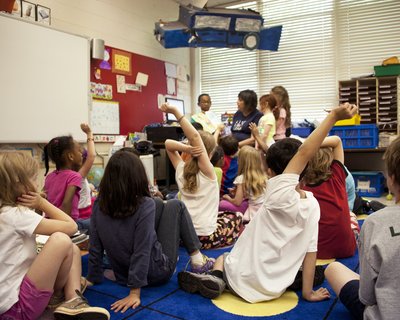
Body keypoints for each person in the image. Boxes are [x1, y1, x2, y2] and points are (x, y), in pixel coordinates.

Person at [177, 103, 358, 303]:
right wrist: (308, 293)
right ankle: (296, 282)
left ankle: (216, 277)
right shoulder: (313, 205)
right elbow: (310, 251)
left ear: (270, 173)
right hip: (274, 287)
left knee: (223, 258)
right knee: (313, 270)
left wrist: (333, 116)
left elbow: (304, 152)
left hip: (240, 279)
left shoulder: (277, 193)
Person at [86, 150, 214, 313]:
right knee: (176, 205)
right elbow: (141, 250)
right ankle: (198, 262)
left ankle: (197, 260)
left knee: (158, 203)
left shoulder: (99, 203)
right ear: (138, 176)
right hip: (156, 274)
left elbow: (95, 246)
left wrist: (92, 277)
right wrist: (134, 292)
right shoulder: (143, 204)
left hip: (122, 274)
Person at [0, 152, 109, 320]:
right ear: (20, 184)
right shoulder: (17, 215)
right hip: (17, 310)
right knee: (61, 240)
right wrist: (42, 203)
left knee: (71, 248)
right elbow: (71, 226)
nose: (39, 183)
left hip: (9, 307)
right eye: (34, 178)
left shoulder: (5, 213)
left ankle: (71, 300)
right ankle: (64, 300)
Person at [325, 136, 400, 320]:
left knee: (333, 269)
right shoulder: (339, 175)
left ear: (390, 179)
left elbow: (366, 296)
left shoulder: (375, 223)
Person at [161, 103, 243, 249]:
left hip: (183, 236)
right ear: (210, 154)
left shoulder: (180, 168)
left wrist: (187, 148)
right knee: (236, 217)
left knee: (221, 215)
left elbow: (168, 144)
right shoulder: (209, 172)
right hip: (204, 238)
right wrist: (175, 112)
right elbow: (194, 136)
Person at [302, 136, 358, 259]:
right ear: (330, 159)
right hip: (346, 249)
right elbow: (337, 141)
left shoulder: (300, 185)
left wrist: (305, 145)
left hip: (314, 252)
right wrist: (310, 142)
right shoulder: (338, 175)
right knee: (352, 216)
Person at [43, 124, 91, 231]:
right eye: (79, 150)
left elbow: (42, 199)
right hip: (68, 223)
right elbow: (66, 202)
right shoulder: (74, 176)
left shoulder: (49, 176)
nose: (82, 154)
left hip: (51, 221)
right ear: (71, 156)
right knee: (97, 223)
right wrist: (66, 228)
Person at [220, 146, 268, 222]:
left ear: (241, 161)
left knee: (222, 204)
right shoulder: (263, 176)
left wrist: (227, 198)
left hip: (254, 211)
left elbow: (237, 202)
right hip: (265, 208)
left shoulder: (241, 178)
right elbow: (254, 194)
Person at [78, 124, 96, 220]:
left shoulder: (54, 175)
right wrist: (89, 133)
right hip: (84, 217)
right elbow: (92, 156)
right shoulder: (79, 175)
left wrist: (88, 187)